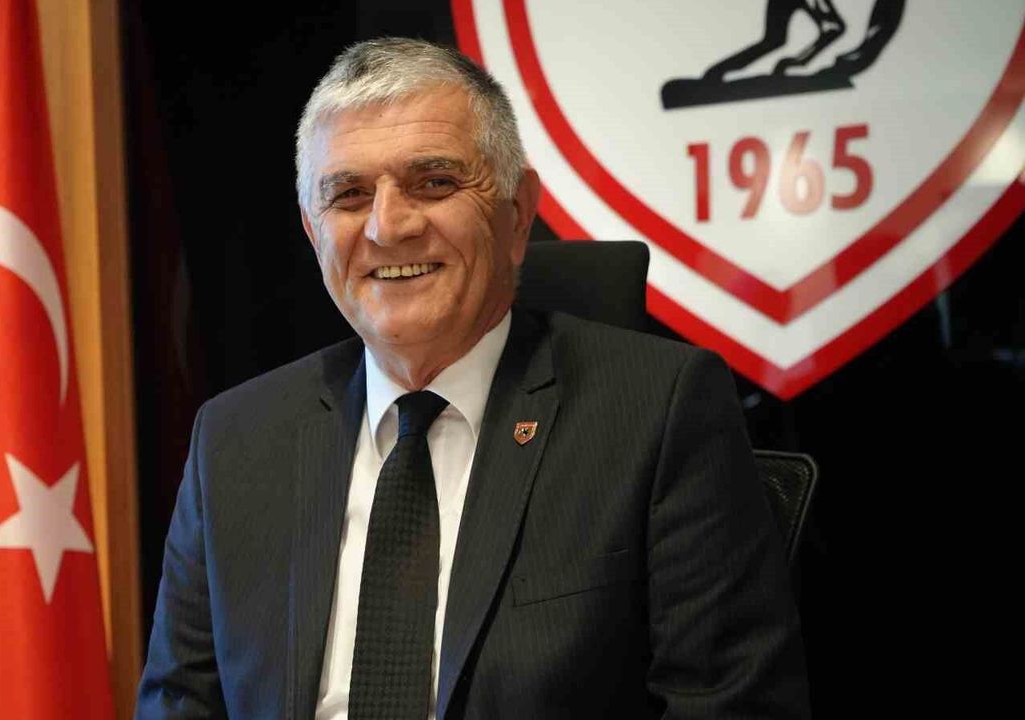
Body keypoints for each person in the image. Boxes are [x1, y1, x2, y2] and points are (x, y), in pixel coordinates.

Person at [136, 37, 809, 719]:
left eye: (434, 182)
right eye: (349, 194)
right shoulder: (235, 439)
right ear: (314, 232)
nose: (388, 227)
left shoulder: (657, 412)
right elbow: (179, 704)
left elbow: (733, 707)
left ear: (517, 214)